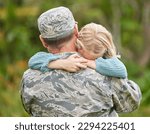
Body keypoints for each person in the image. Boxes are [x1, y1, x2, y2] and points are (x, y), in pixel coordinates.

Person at [20, 6, 142, 117]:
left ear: (43, 40)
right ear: (76, 29)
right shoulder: (103, 73)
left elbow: (28, 108)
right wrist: (107, 55)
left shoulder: (29, 78)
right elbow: (132, 103)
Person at [28, 23, 127, 78]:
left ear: (103, 52)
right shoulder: (71, 58)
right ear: (79, 45)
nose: (82, 57)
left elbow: (121, 71)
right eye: (83, 53)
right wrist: (61, 63)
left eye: (96, 57)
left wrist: (91, 63)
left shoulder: (105, 60)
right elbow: (34, 61)